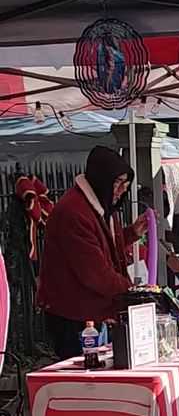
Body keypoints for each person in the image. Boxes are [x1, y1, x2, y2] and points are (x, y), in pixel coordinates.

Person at [37, 145, 146, 359]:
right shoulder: (73, 212)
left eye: (126, 183)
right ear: (101, 179)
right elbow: (95, 273)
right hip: (73, 315)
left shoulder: (99, 206)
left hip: (91, 311)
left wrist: (132, 233)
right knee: (85, 382)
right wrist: (134, 293)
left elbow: (102, 246)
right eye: (118, 182)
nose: (122, 189)